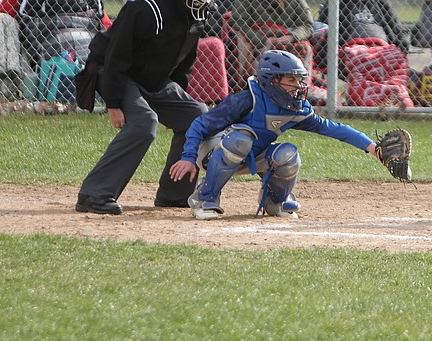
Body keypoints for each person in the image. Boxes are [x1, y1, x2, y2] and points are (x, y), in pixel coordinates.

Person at [75, 0, 222, 215]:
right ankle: (93, 194)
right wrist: (114, 103)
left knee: (197, 116)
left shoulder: (195, 9)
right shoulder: (147, 6)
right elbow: (115, 56)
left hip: (153, 79)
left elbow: (185, 62)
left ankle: (174, 194)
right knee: (145, 122)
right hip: (113, 72)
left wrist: (175, 109)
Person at [167, 50, 391, 219]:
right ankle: (205, 197)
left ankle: (275, 201)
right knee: (241, 138)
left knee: (288, 154)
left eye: (299, 80)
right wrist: (188, 158)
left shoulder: (294, 108)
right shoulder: (247, 99)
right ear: (272, 81)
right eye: (291, 80)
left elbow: (334, 129)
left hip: (250, 156)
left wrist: (372, 148)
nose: (299, 86)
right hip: (215, 151)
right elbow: (199, 125)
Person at [228, 0, 314, 88]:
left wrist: (291, 36)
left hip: (286, 38)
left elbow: (307, 24)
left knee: (303, 47)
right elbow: (238, 22)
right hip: (258, 40)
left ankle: (297, 86)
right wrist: (264, 40)